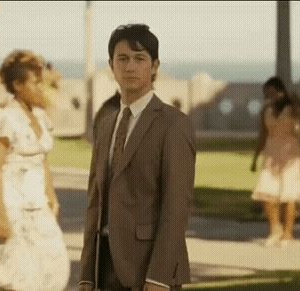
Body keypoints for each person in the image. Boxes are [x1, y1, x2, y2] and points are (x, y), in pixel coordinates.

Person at [79, 23, 195, 291]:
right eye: (123, 59)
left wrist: (159, 277)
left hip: (148, 269)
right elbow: (95, 204)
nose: (130, 67)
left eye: (139, 59)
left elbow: (176, 207)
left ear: (154, 66)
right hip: (104, 267)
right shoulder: (106, 124)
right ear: (111, 66)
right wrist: (87, 273)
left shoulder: (173, 124)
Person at [0, 50, 69, 290]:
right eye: (36, 83)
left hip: (37, 203)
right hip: (10, 203)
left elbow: (43, 160)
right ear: (18, 85)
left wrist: (51, 195)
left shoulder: (40, 116)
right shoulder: (5, 117)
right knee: (13, 274)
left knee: (53, 266)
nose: (42, 88)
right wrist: (0, 216)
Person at [250, 76, 300, 247]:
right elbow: (263, 134)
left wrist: (299, 112)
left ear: (281, 91)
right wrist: (255, 157)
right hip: (271, 154)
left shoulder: (292, 109)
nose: (269, 96)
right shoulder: (266, 111)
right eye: (266, 94)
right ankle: (275, 228)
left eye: (272, 92)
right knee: (267, 192)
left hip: (291, 154)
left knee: (289, 194)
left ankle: (288, 233)